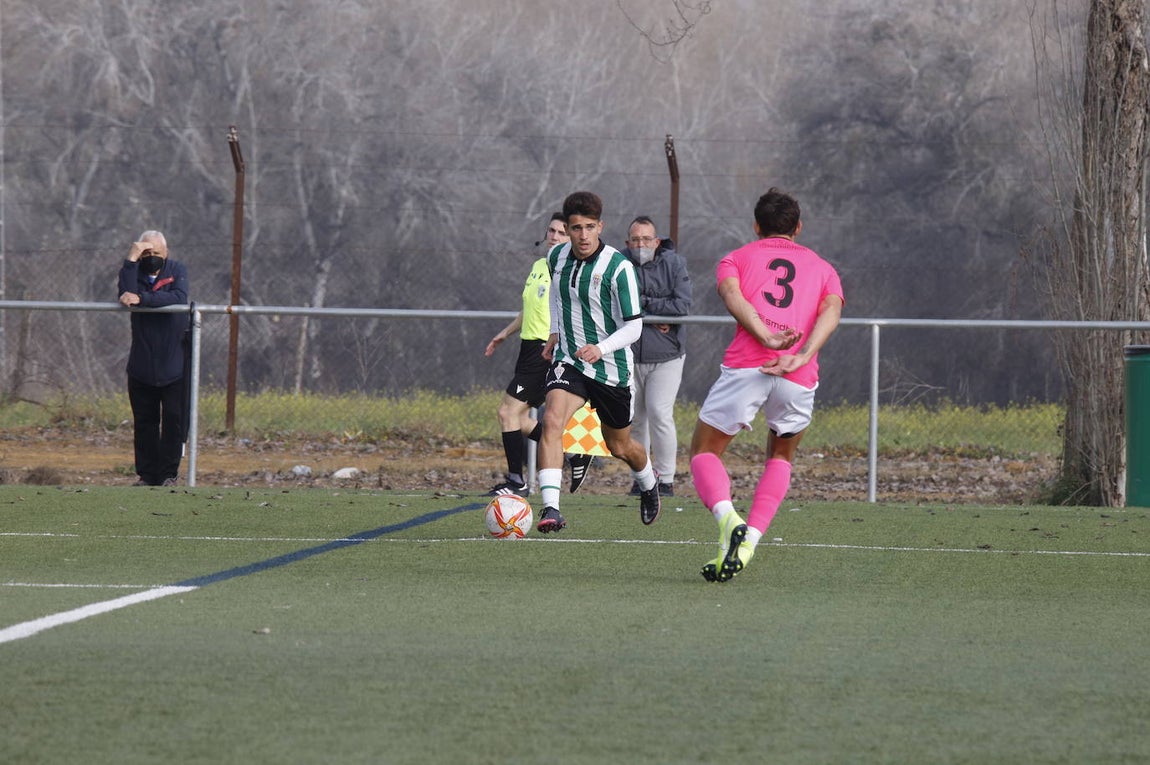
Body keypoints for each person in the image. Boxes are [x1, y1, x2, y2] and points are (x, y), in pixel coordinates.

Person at [689, 188, 843, 582]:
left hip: (747, 367)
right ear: (798, 227)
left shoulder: (736, 257)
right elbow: (832, 308)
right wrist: (803, 354)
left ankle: (728, 519)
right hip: (797, 375)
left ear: (757, 226)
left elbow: (731, 294)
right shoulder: (823, 267)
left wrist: (765, 336)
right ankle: (749, 540)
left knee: (704, 451)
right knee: (780, 456)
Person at [535, 191, 661, 533]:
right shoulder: (556, 257)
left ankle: (649, 484)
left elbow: (635, 326)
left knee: (620, 446)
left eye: (590, 227)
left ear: (600, 226)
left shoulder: (618, 268)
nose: (583, 235)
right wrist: (554, 333)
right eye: (576, 228)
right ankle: (551, 508)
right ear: (568, 228)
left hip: (611, 369)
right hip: (571, 361)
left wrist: (601, 348)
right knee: (552, 421)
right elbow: (559, 300)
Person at [485, 213, 594, 496]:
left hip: (545, 350)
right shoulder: (538, 266)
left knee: (507, 411)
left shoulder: (567, 270)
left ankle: (516, 482)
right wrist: (505, 333)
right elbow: (529, 308)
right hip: (527, 348)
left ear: (570, 238)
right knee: (517, 419)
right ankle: (572, 453)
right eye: (552, 231)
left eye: (561, 232)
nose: (555, 236)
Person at [622, 216, 691, 497]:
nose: (641, 245)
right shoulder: (618, 263)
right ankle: (643, 478)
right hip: (628, 355)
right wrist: (654, 315)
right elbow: (615, 303)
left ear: (657, 241)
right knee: (636, 420)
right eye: (636, 240)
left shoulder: (674, 264)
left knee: (660, 413)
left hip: (667, 354)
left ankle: (665, 479)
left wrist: (645, 308)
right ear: (628, 242)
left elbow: (682, 304)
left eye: (646, 239)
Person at [117, 231, 190, 487]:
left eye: (155, 253)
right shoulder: (133, 272)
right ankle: (147, 475)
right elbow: (126, 294)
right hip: (142, 365)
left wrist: (144, 299)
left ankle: (169, 475)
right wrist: (131, 258)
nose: (151, 258)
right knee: (145, 423)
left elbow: (179, 298)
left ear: (166, 253)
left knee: (174, 421)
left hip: (174, 366)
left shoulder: (177, 270)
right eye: (146, 253)